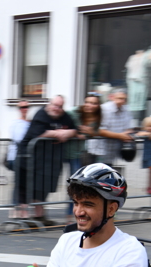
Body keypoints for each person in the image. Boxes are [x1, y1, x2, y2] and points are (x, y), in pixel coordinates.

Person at [15, 95, 77, 226]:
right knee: (25, 187)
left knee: (42, 188)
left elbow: (74, 129)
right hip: (27, 156)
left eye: (60, 106)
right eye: (55, 105)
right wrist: (58, 133)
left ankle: (39, 216)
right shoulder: (41, 114)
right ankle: (24, 218)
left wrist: (68, 133)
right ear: (49, 104)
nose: (57, 108)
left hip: (45, 159)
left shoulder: (64, 116)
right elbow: (38, 132)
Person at [64, 94, 102, 222]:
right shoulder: (74, 113)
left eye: (93, 103)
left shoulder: (96, 118)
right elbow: (63, 122)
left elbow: (96, 132)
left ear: (97, 106)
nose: (89, 105)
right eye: (87, 102)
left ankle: (71, 215)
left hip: (78, 154)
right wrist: (76, 132)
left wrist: (90, 132)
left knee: (77, 185)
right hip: (62, 151)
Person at [88, 89, 134, 166]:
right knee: (96, 175)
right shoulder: (104, 109)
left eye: (124, 99)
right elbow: (99, 130)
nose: (122, 101)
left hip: (112, 151)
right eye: (120, 98)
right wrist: (120, 136)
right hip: (99, 151)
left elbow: (129, 128)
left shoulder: (126, 110)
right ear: (112, 97)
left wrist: (128, 133)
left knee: (107, 175)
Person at [6, 101, 31, 219]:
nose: (24, 109)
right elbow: (20, 139)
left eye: (26, 107)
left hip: (25, 156)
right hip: (16, 156)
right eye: (22, 107)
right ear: (19, 109)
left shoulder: (28, 122)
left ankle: (22, 210)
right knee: (18, 184)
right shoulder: (16, 123)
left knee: (24, 184)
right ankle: (15, 210)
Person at [137, 116, 151, 196]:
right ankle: (149, 187)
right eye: (149, 126)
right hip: (148, 155)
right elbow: (139, 133)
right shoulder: (146, 133)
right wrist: (148, 133)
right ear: (145, 126)